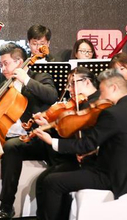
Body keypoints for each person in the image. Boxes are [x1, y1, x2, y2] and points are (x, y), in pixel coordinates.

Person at [33, 69, 127, 220]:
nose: (100, 97)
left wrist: (52, 141)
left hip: (112, 177)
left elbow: (86, 145)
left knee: (52, 182)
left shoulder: (113, 113)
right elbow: (122, 142)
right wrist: (94, 153)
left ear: (114, 88)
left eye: (102, 92)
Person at [0, 43, 58, 219]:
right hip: (8, 134)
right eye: (0, 64)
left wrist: (26, 80)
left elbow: (51, 96)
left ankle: (6, 206)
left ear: (19, 62)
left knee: (11, 146)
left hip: (34, 137)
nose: (2, 69)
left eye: (5, 63)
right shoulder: (5, 83)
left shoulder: (40, 76)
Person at [32, 67, 100, 220]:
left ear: (87, 82)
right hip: (77, 156)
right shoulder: (82, 104)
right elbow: (71, 134)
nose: (69, 89)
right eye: (69, 85)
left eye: (73, 84)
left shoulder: (96, 105)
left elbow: (90, 139)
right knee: (43, 180)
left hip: (91, 162)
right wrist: (50, 126)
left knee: (49, 181)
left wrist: (53, 137)